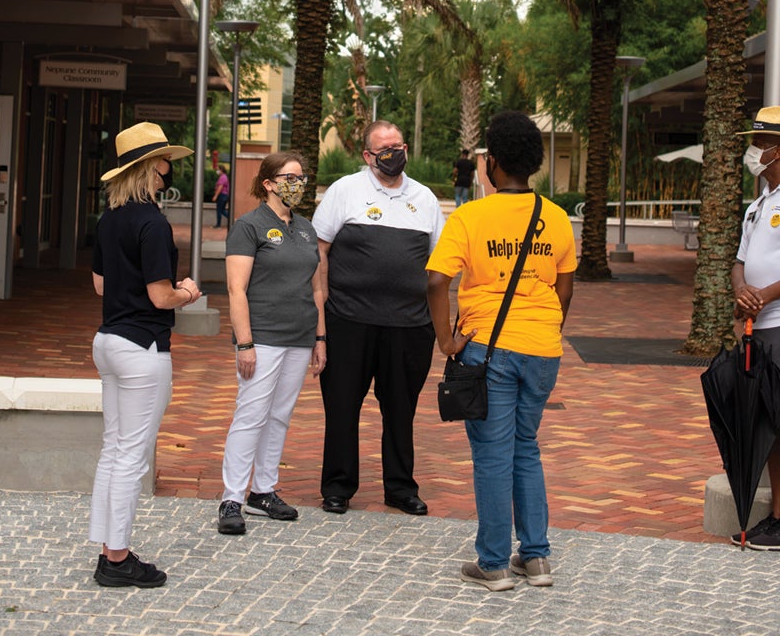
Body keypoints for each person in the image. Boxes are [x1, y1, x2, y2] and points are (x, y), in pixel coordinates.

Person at [427, 110, 576, 591]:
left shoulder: (470, 216)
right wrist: (545, 333)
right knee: (525, 448)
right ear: (532, 161)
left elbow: (435, 281)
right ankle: (535, 558)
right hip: (543, 349)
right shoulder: (554, 217)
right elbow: (565, 289)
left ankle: (492, 563)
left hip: (489, 347)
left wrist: (447, 340)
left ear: (492, 162)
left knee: (492, 454)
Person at [89, 121, 201, 589]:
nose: (168, 168)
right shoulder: (152, 222)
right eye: (166, 161)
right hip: (143, 347)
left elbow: (99, 284)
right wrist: (188, 291)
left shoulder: (109, 218)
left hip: (109, 341)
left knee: (114, 449)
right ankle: (117, 558)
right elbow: (160, 297)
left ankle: (108, 549)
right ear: (151, 166)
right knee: (132, 455)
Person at [313, 120, 444, 515]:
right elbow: (319, 250)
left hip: (409, 326)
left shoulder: (424, 198)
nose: (393, 153)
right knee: (341, 406)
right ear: (368, 156)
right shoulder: (344, 191)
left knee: (401, 410)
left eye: (398, 145)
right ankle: (338, 486)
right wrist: (323, 310)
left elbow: (439, 262)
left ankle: (401, 488)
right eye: (384, 148)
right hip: (348, 322)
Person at [217, 151, 326, 533]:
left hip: (299, 338)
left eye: (302, 177)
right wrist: (244, 343)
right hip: (262, 338)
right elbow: (235, 288)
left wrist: (320, 338)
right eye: (290, 177)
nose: (297, 184)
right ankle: (232, 497)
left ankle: (263, 490)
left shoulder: (306, 229)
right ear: (268, 183)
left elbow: (316, 289)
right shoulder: (249, 227)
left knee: (279, 416)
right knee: (251, 415)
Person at [731, 104, 780, 550]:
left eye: (762, 143)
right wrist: (743, 290)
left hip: (779, 323)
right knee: (765, 422)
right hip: (757, 327)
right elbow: (740, 262)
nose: (754, 150)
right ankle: (776, 518)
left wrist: (765, 296)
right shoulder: (758, 204)